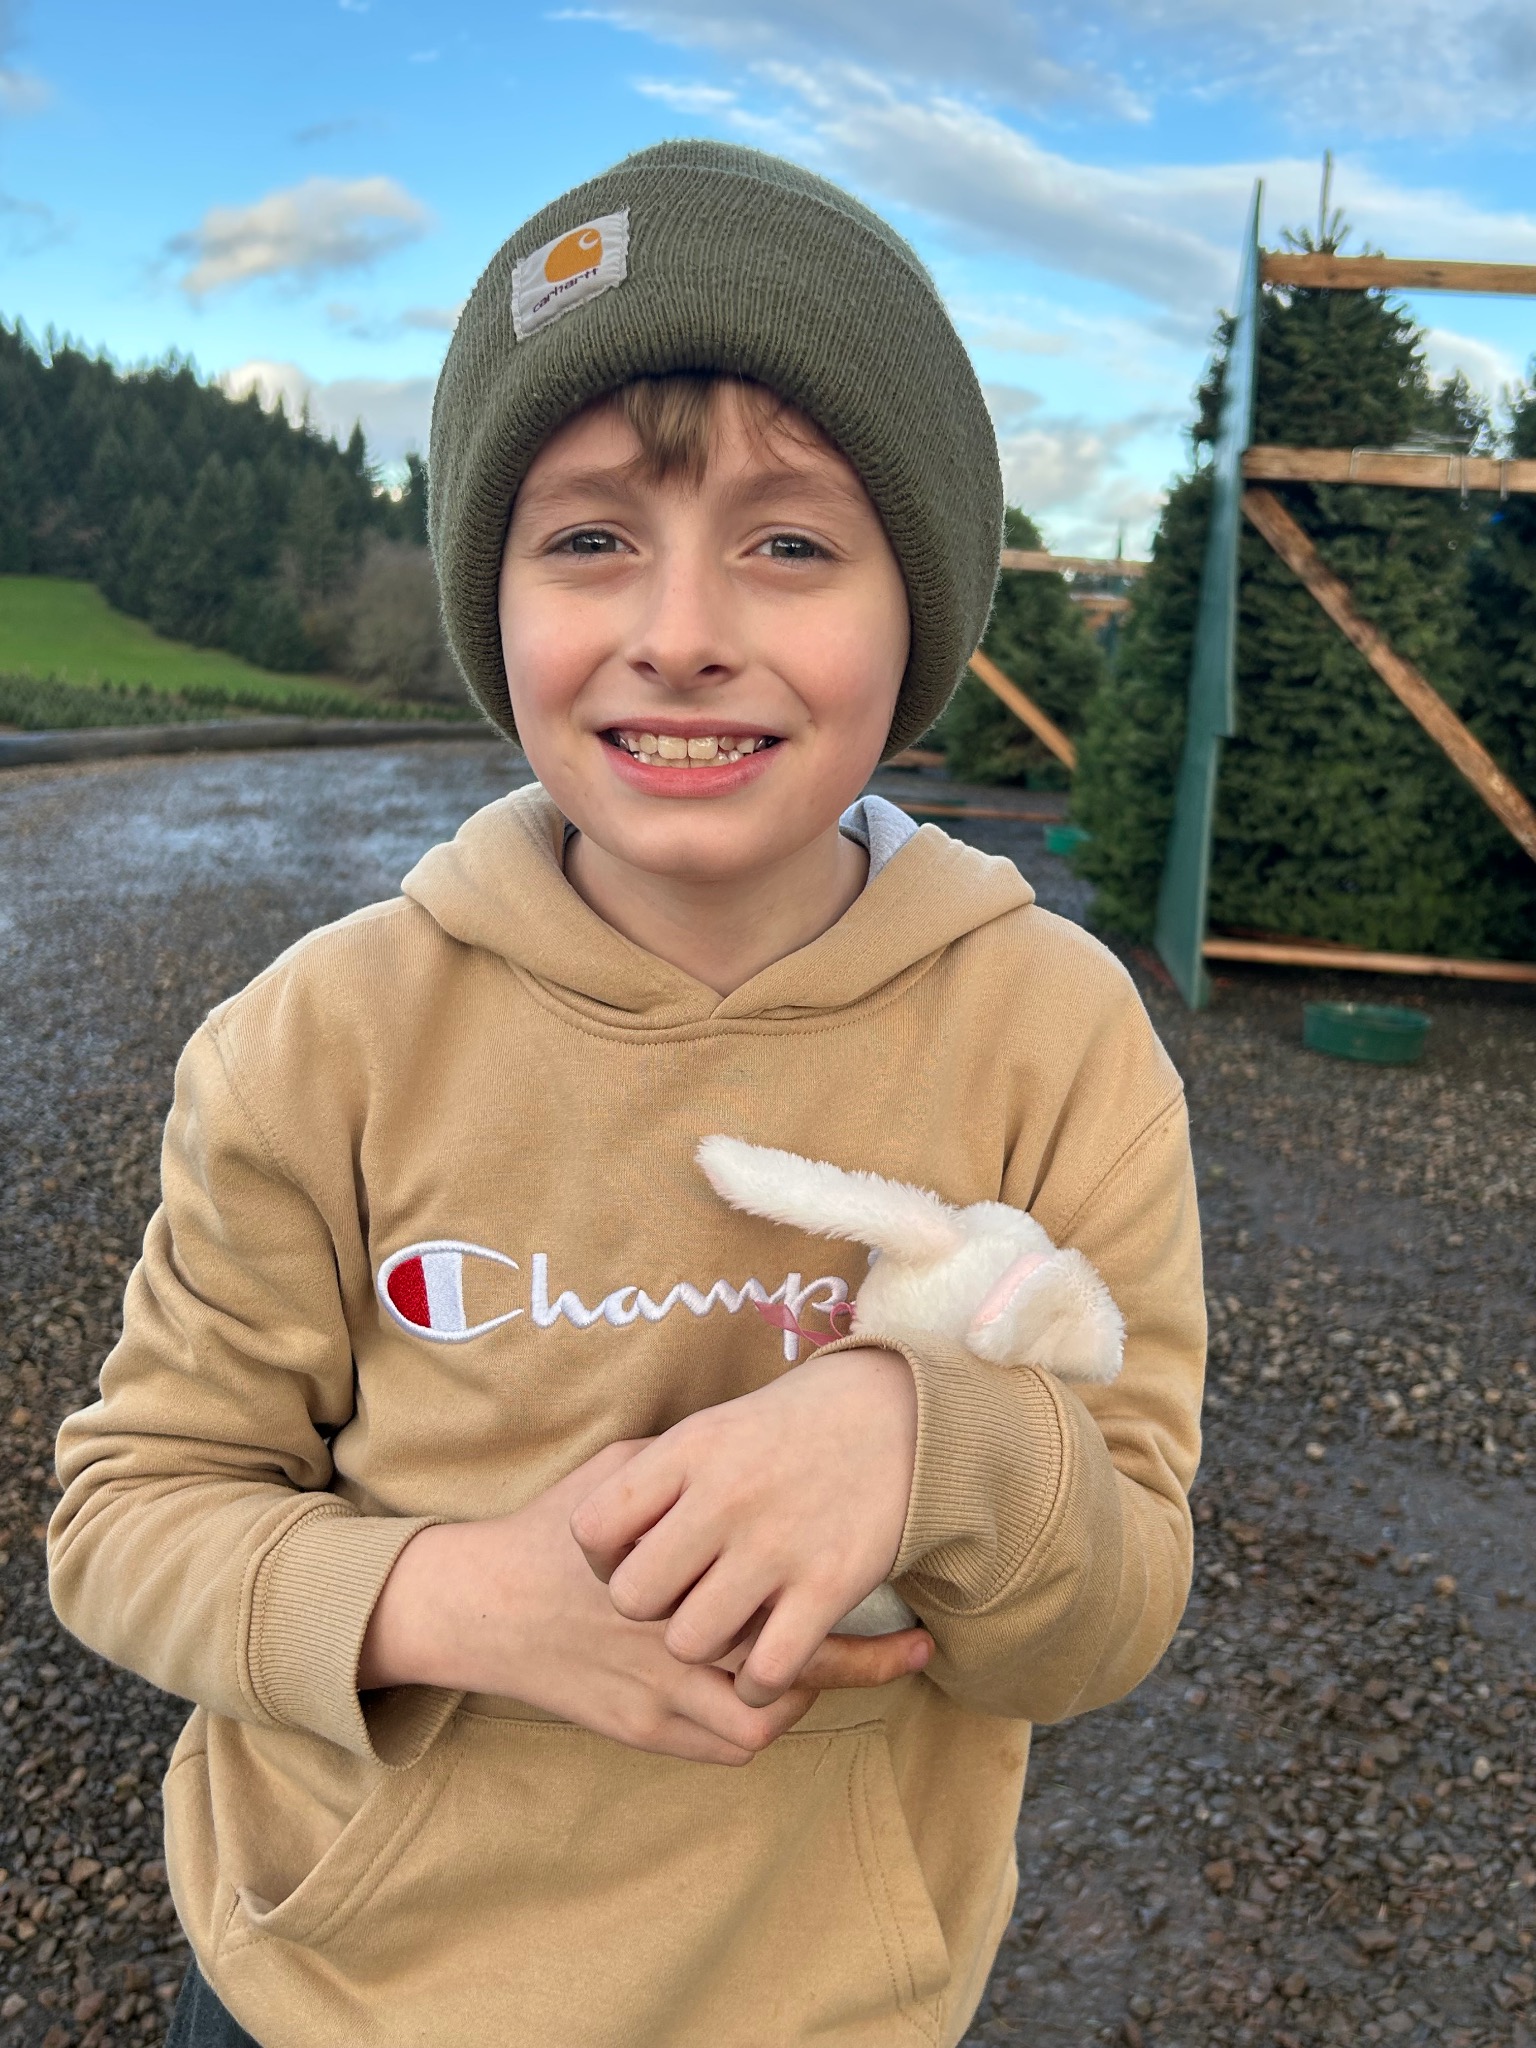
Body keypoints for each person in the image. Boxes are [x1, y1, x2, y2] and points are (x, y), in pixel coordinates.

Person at [47, 140, 1204, 2048]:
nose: (680, 629)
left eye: (790, 544)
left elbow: (1117, 1609)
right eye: (589, 539)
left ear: (919, 601)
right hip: (325, 1993)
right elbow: (128, 1517)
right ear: (489, 595)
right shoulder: (316, 1042)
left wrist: (932, 1441)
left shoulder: (1058, 1036)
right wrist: (454, 1601)